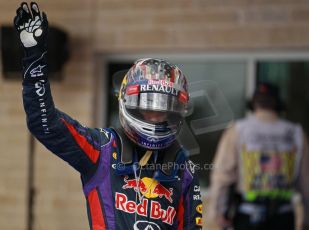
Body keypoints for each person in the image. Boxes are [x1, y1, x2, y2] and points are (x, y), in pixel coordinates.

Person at [14, 2, 202, 229]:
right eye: (147, 107)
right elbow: (46, 126)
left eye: (163, 109)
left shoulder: (184, 169)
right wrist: (34, 59)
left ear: (174, 112)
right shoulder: (103, 149)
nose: (155, 116)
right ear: (128, 102)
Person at [209, 82, 309, 230]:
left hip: (247, 216)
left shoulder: (238, 131)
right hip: (283, 217)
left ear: (253, 103)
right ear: (278, 104)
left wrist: (218, 213)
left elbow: (222, 176)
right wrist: (308, 219)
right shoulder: (295, 133)